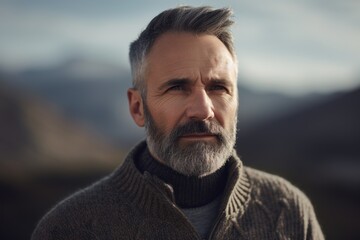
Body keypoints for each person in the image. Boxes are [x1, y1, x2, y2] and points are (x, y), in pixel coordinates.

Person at [32, 6, 324, 239]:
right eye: (177, 88)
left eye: (218, 88)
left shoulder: (288, 210)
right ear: (137, 108)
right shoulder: (70, 228)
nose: (202, 110)